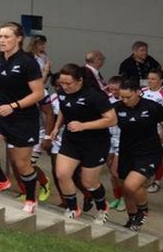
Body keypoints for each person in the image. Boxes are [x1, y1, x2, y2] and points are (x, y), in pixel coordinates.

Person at [0, 22, 45, 215]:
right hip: (0, 113)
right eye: (0, 37)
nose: (2, 40)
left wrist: (13, 106)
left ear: (19, 38)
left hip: (24, 117)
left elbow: (38, 94)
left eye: (7, 37)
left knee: (22, 164)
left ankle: (31, 198)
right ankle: (1, 180)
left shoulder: (28, 62)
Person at [51, 64, 117, 224]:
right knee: (62, 174)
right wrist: (56, 127)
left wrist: (83, 125)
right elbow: (63, 109)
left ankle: (102, 207)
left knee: (89, 182)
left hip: (95, 143)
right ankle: (73, 207)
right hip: (71, 139)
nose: (64, 87)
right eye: (62, 83)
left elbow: (112, 119)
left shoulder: (95, 95)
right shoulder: (62, 92)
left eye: (69, 83)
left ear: (80, 80)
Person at [114, 78, 163, 231]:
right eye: (121, 97)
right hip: (126, 152)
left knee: (131, 185)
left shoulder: (152, 107)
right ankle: (132, 219)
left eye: (128, 97)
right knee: (126, 188)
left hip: (149, 153)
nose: (124, 100)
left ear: (137, 92)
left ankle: (143, 211)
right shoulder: (116, 107)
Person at [12, 89, 53, 203]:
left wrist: (47, 136)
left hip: (36, 132)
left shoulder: (40, 91)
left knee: (27, 164)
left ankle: (43, 182)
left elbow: (49, 113)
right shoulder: (9, 85)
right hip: (16, 130)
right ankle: (25, 192)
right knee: (16, 164)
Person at [141, 68, 163, 193]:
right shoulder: (142, 92)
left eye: (153, 79)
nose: (149, 81)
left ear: (161, 80)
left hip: (158, 131)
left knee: (159, 155)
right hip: (143, 130)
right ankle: (146, 175)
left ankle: (157, 180)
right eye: (148, 78)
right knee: (145, 155)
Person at [106, 76, 126, 211]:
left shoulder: (127, 100)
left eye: (116, 89)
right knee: (111, 172)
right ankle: (117, 197)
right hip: (108, 137)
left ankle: (125, 199)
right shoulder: (106, 99)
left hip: (122, 138)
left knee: (116, 171)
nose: (113, 92)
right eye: (111, 89)